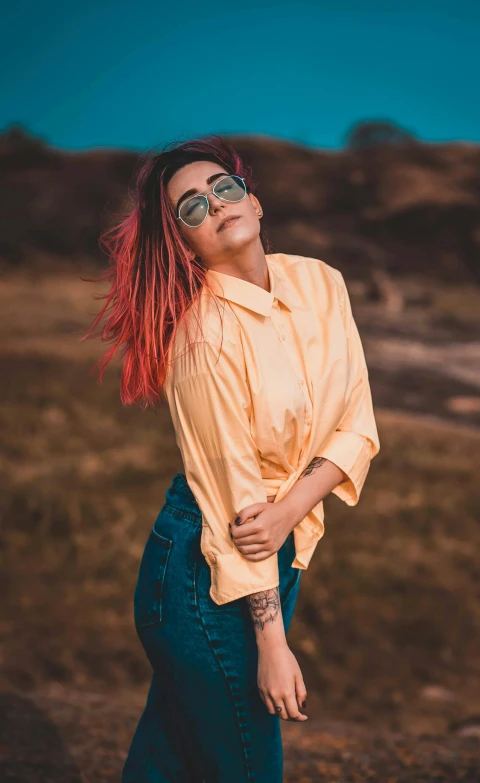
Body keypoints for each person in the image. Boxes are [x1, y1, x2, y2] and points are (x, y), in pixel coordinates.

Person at [83, 135, 380, 782]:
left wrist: (290, 510)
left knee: (167, 758)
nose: (216, 205)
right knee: (249, 765)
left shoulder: (322, 282)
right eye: (191, 207)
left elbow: (357, 425)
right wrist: (272, 645)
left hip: (274, 551)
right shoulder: (202, 337)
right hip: (200, 571)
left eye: (224, 187)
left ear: (256, 201)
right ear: (183, 242)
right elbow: (236, 504)